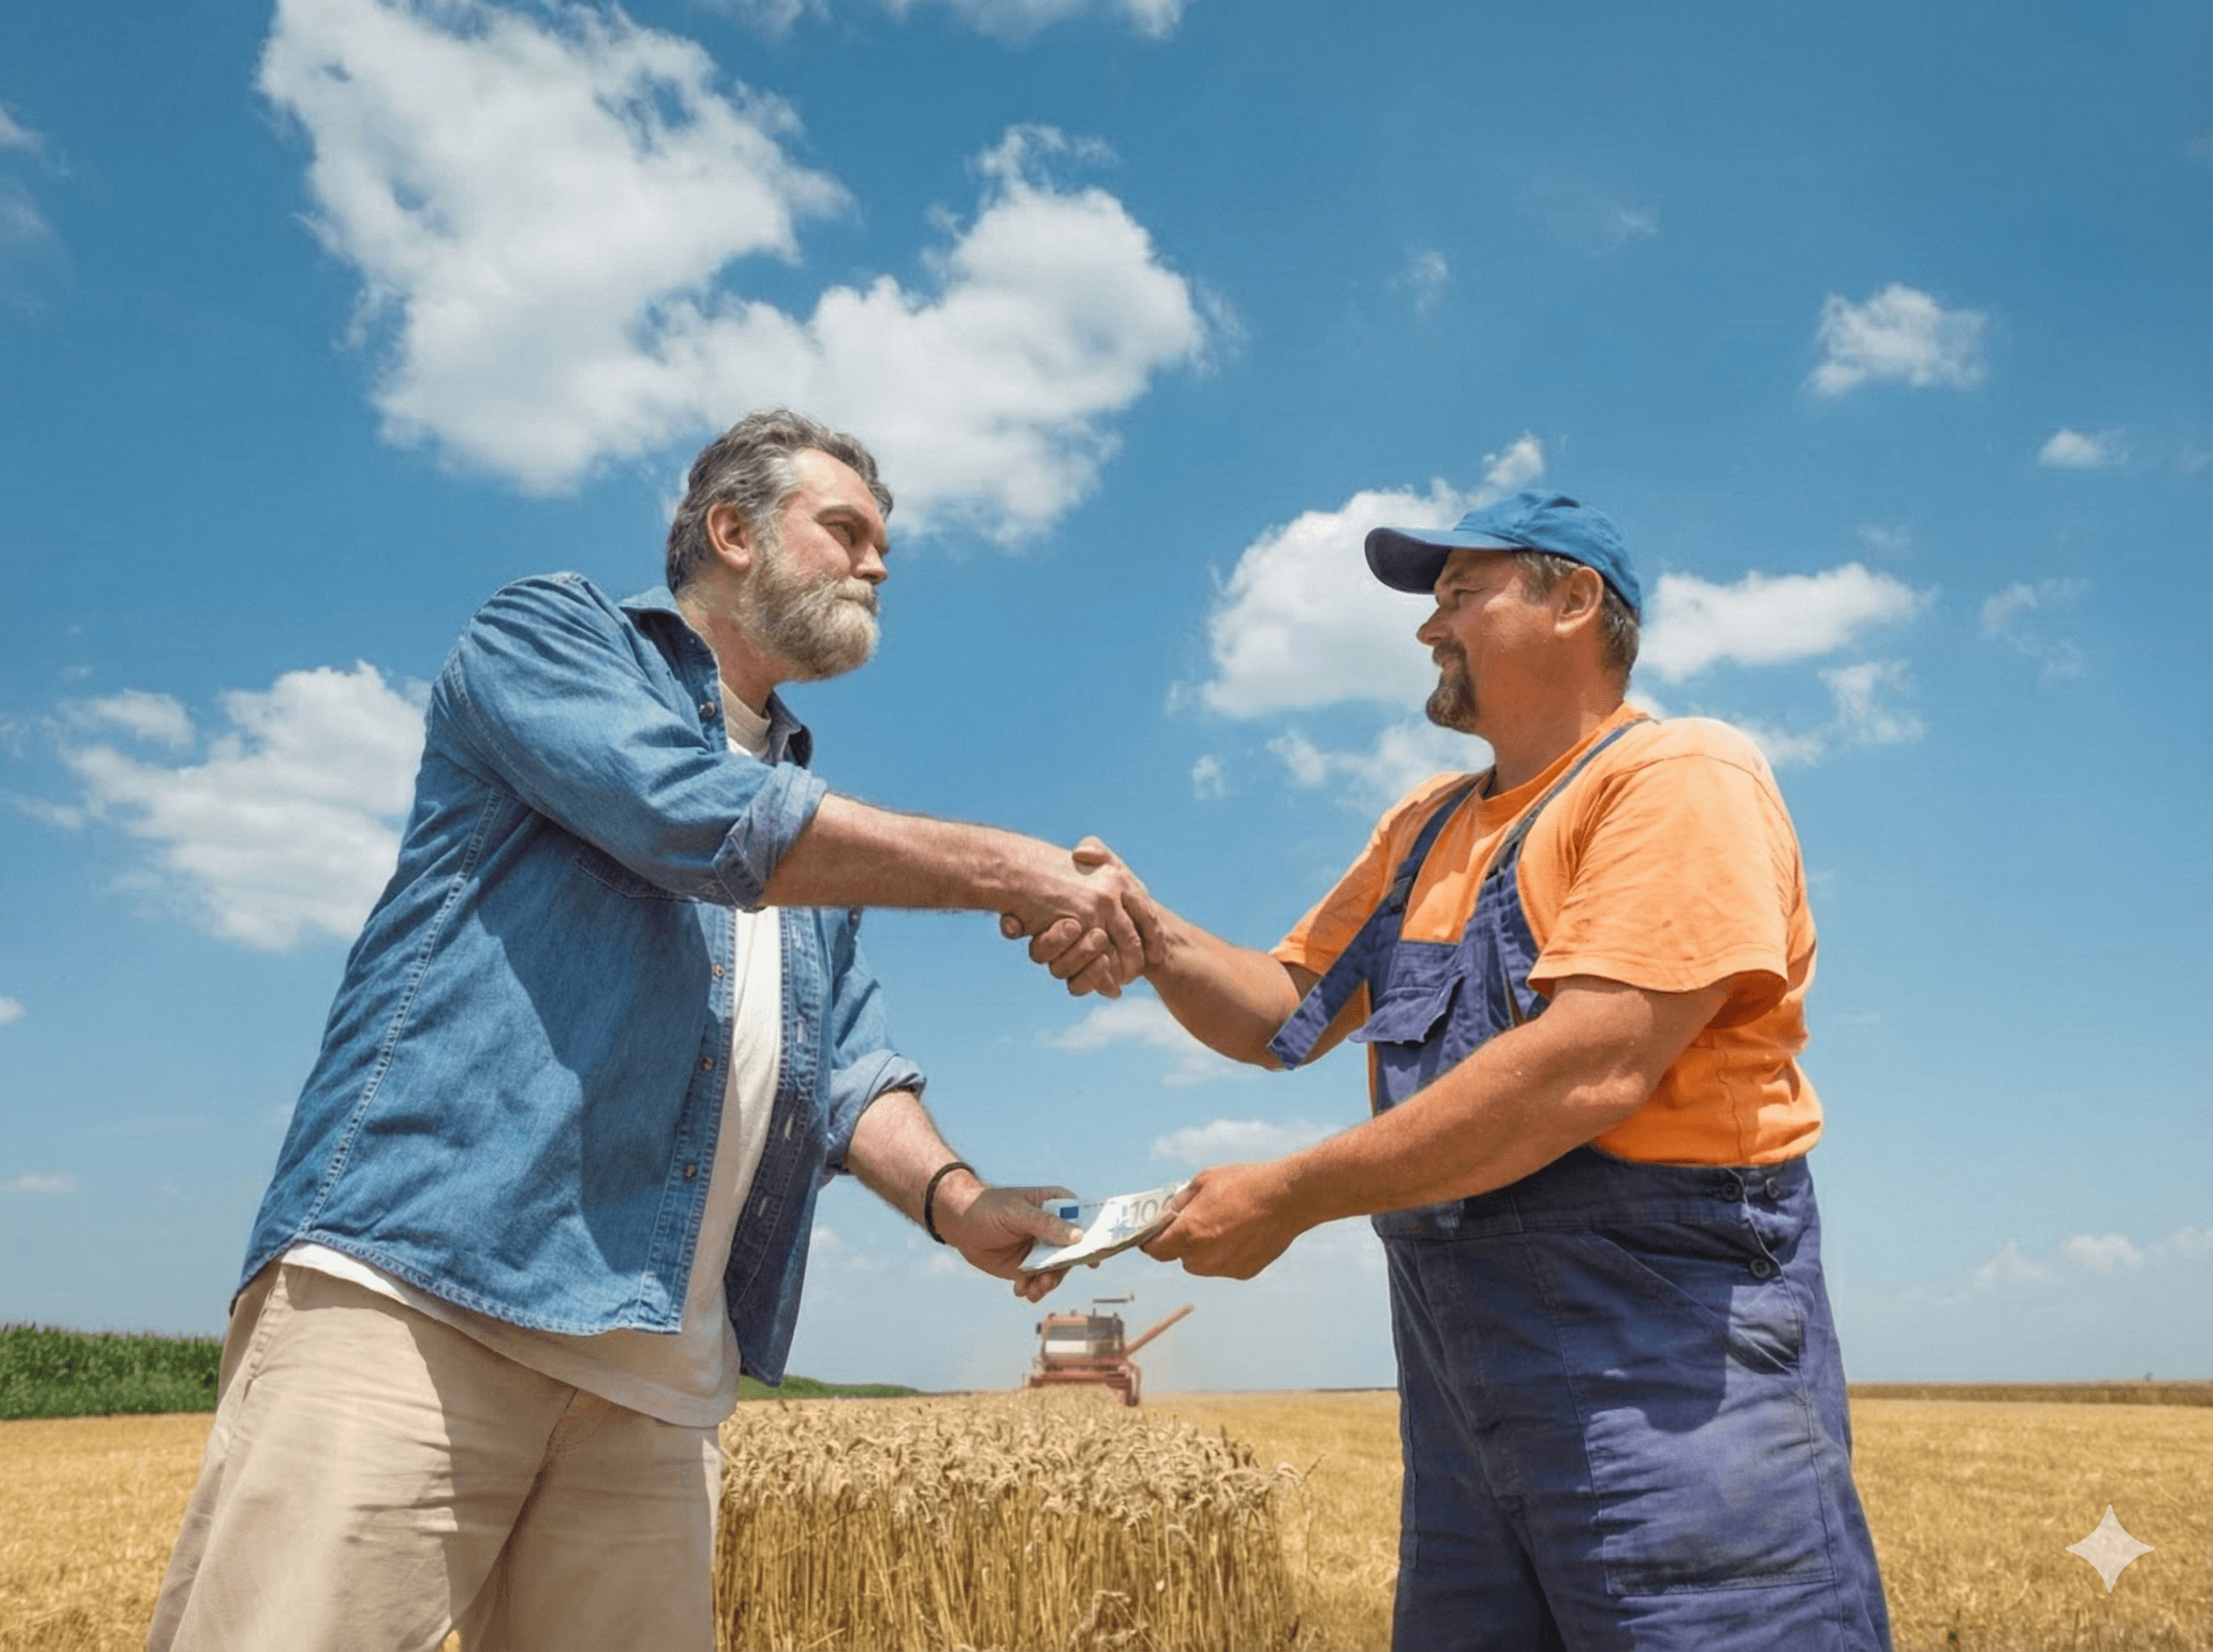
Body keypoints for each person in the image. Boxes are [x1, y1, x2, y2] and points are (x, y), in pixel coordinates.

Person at [148, 409, 1140, 1652]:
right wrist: (1014, 870)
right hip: (427, 1297)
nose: (878, 565)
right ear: (731, 532)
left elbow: (845, 1074)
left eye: (885, 545)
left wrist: (957, 1200)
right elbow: (680, 813)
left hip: (658, 1386)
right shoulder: (552, 637)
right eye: (847, 531)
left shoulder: (802, 815)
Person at [1032, 490, 1891, 1648]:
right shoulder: (1424, 830)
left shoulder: (1680, 777)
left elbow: (1583, 1069)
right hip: (1462, 1411)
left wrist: (1289, 1195)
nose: (1429, 627)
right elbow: (1280, 1011)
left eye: (1458, 594)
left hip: (1675, 1390)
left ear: (1575, 600)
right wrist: (1150, 930)